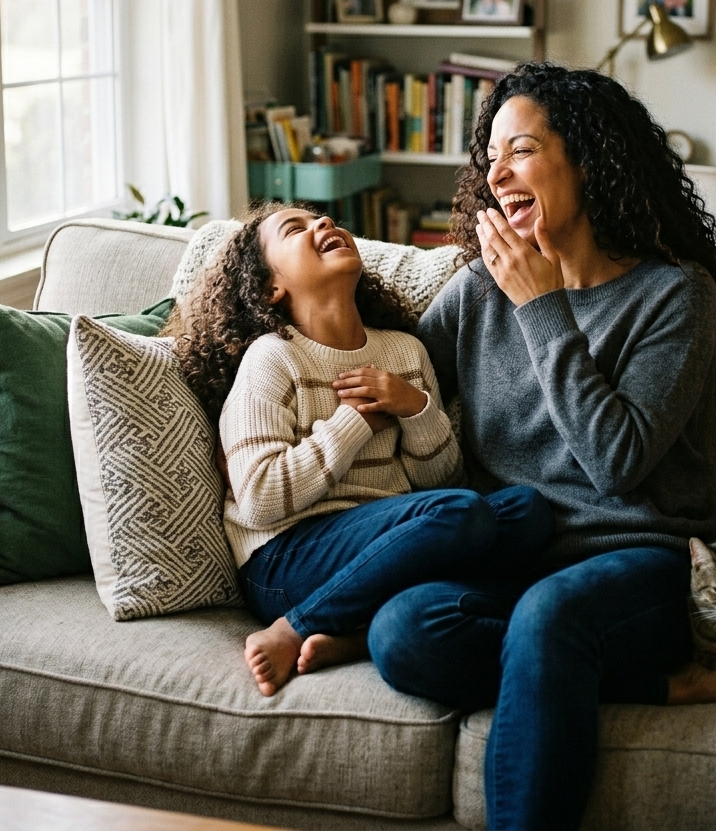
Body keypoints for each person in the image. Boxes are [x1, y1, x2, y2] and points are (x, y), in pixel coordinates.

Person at [366, 63, 716, 831]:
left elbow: (617, 462)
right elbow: (398, 380)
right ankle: (666, 686)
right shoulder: (475, 290)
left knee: (549, 617)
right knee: (404, 630)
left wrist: (541, 307)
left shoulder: (673, 294)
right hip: (514, 558)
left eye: (520, 150)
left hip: (637, 563)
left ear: (589, 162)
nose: (496, 171)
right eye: (489, 156)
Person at [170, 203, 554, 697]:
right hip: (287, 560)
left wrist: (415, 408)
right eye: (296, 229)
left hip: (389, 545)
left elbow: (439, 484)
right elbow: (260, 498)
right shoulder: (273, 357)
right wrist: (354, 422)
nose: (323, 224)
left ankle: (357, 635)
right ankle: (298, 625)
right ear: (271, 287)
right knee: (462, 515)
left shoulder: (403, 353)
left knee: (527, 511)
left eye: (323, 219)